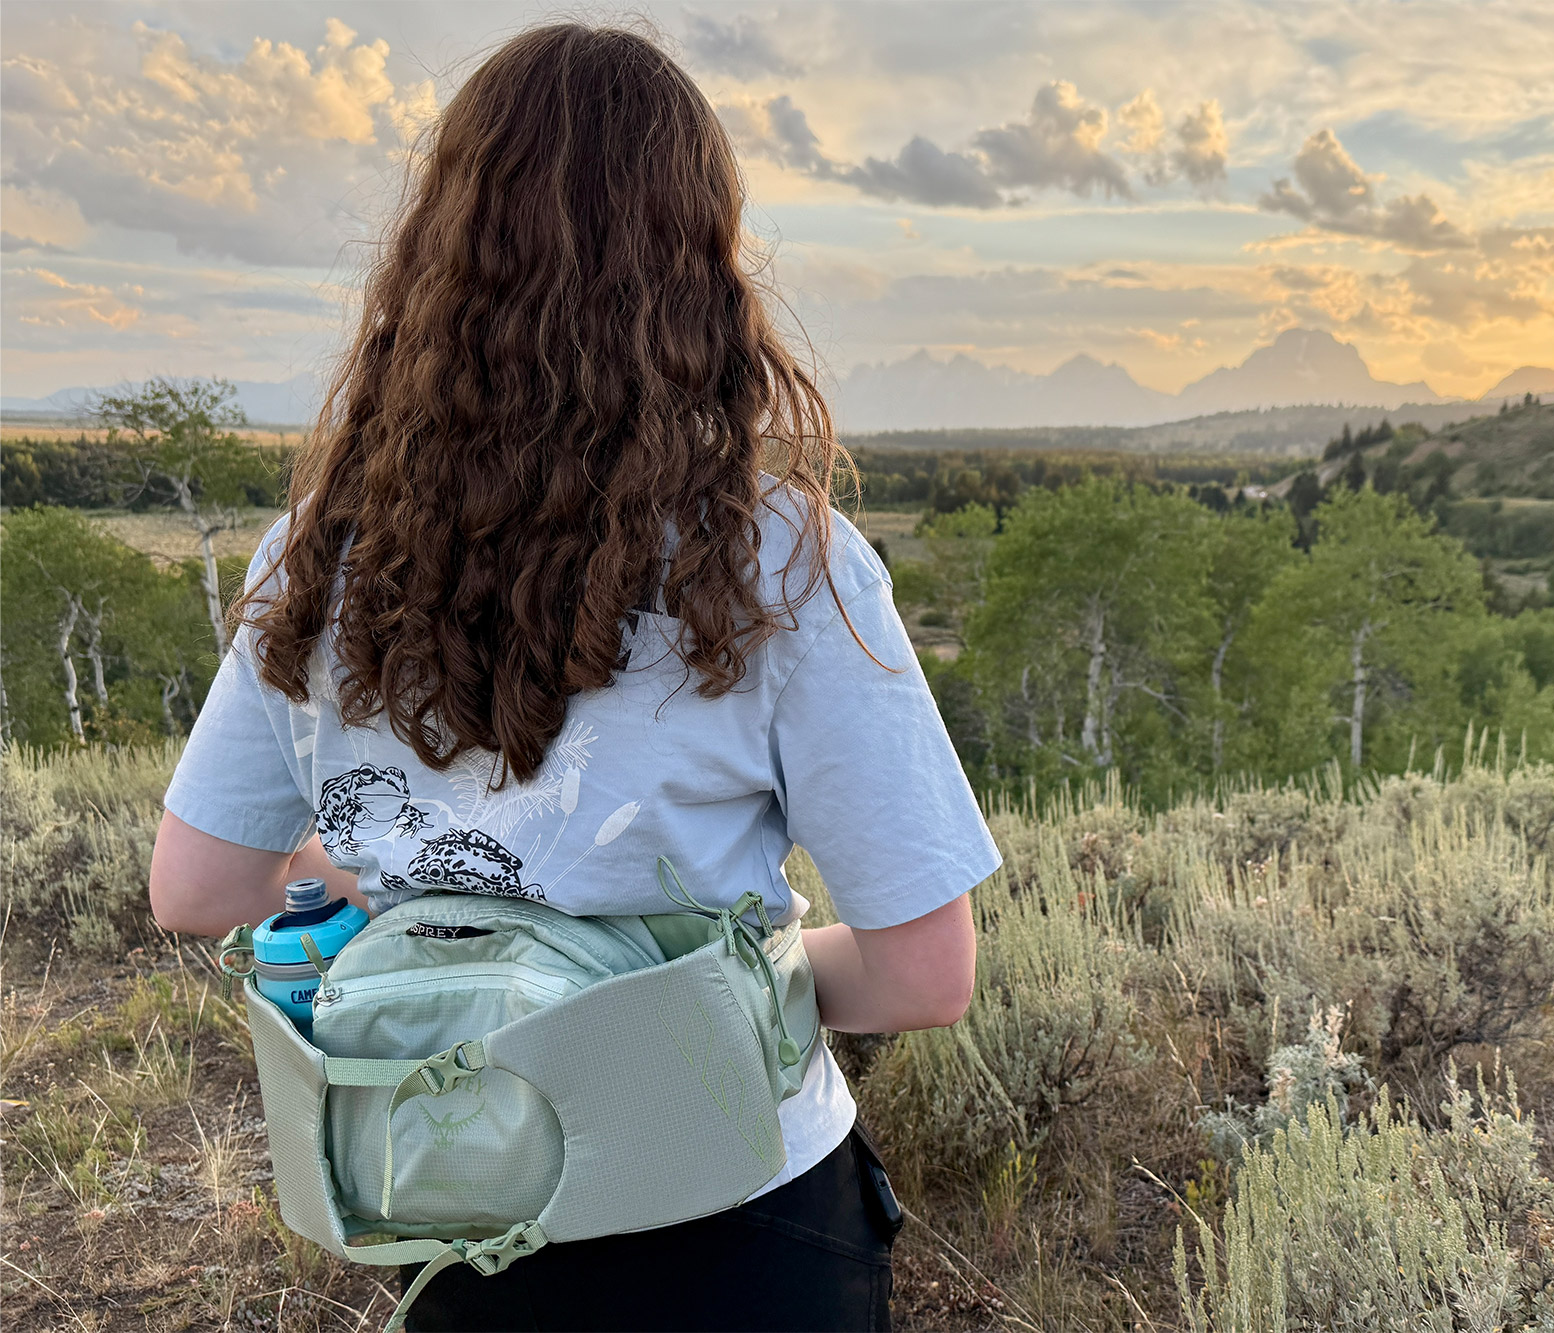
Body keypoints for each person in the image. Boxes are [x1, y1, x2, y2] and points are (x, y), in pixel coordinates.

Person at [147, 23, 998, 1332]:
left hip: (459, 1194)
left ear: (437, 251)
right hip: (741, 1208)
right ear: (700, 266)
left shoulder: (316, 553)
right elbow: (923, 971)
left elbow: (197, 887)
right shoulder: (783, 562)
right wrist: (696, 984)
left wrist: (383, 862)